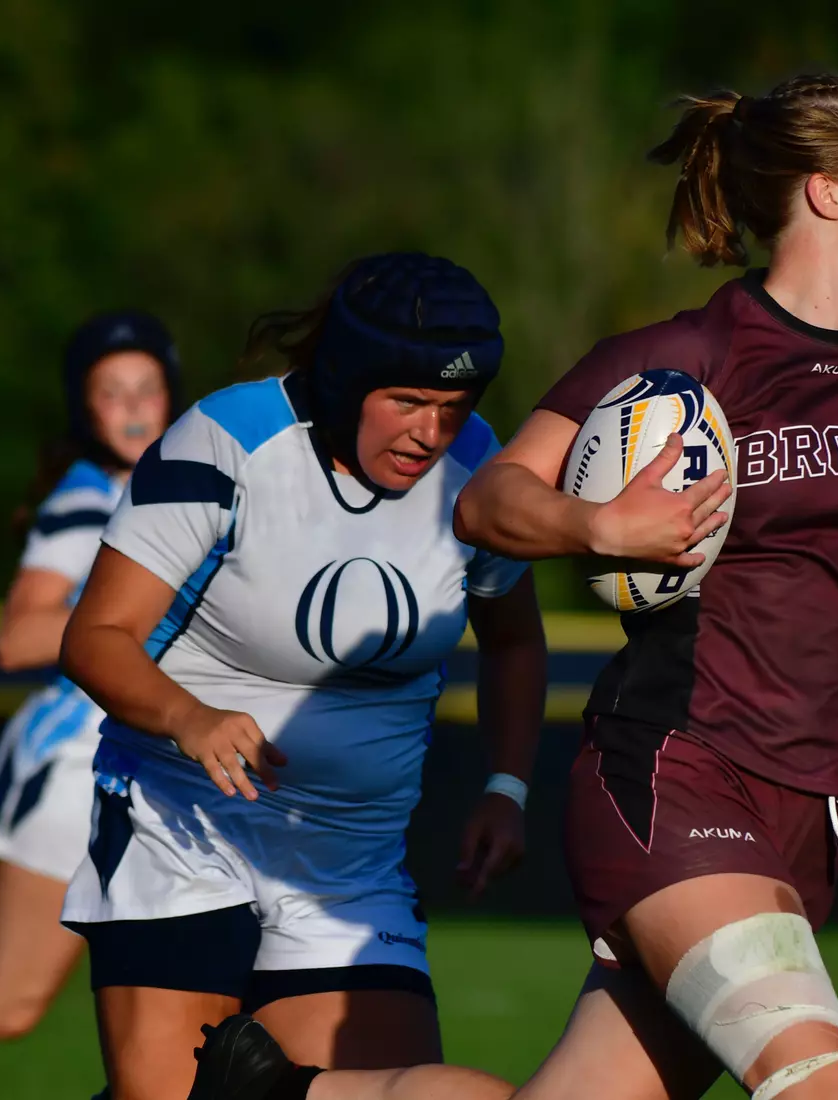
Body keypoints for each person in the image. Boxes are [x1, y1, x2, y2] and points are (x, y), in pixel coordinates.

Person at [188, 73, 838, 1100]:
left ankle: (275, 1094)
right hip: (672, 778)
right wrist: (597, 523)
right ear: (825, 191)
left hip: (814, 808)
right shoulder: (683, 360)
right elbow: (489, 500)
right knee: (822, 1081)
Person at [57, 253, 548, 1100]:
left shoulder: (477, 465)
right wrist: (189, 717)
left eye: (453, 406)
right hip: (183, 830)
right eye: (407, 401)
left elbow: (513, 643)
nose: (431, 433)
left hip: (350, 867)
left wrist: (507, 785)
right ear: (347, 377)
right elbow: (95, 636)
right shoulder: (230, 440)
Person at [0, 311, 182, 1065]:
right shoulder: (91, 497)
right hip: (71, 768)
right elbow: (19, 636)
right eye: (110, 392)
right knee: (6, 1001)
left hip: (150, 767)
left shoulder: (176, 486)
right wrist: (138, 610)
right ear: (85, 409)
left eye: (145, 389)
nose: (132, 408)